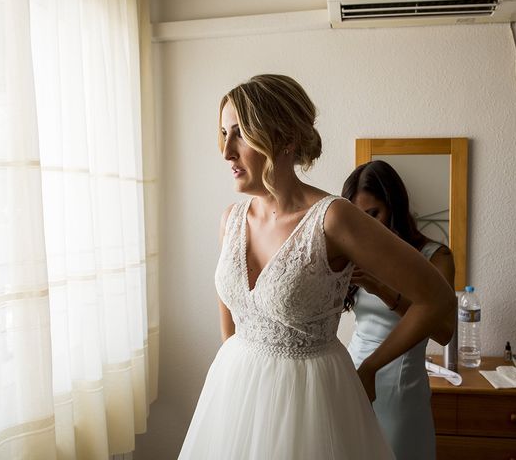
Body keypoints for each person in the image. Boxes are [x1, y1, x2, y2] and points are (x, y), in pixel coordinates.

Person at [178, 74, 456, 459]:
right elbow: (232, 325)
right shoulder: (231, 219)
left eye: (240, 133)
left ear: (286, 138)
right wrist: (236, 387)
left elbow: (437, 299)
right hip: (233, 395)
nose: (226, 151)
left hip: (310, 403)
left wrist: (371, 367)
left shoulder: (333, 219)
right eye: (223, 133)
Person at [342, 160, 456, 460]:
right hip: (353, 374)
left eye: (374, 214)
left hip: (400, 386)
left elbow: (444, 333)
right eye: (358, 216)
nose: (367, 224)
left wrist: (382, 289)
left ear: (394, 207)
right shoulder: (354, 252)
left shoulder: (435, 257)